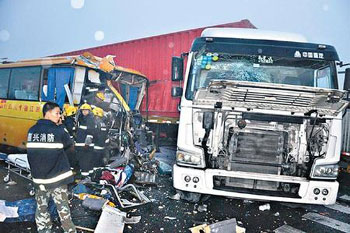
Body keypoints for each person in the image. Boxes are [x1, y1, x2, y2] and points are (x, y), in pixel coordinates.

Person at [27, 102, 76, 233]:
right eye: (57, 113)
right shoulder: (58, 130)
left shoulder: (32, 131)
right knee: (63, 208)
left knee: (41, 208)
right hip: (57, 179)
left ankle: (44, 230)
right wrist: (62, 126)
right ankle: (69, 231)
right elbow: (69, 145)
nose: (59, 116)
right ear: (48, 113)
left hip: (39, 180)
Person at [75, 103, 96, 175]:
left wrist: (87, 144)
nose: (84, 112)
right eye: (83, 110)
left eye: (86, 110)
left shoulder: (90, 119)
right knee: (85, 161)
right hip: (81, 145)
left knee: (85, 161)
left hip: (86, 145)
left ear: (89, 111)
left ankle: (85, 177)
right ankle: (88, 175)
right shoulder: (81, 119)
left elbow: (90, 133)